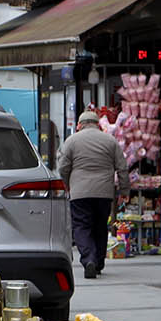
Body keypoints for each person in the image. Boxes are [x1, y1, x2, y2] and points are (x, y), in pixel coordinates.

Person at [55, 108, 125, 279]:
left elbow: (63, 167)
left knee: (81, 226)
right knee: (100, 227)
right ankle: (99, 263)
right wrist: (124, 190)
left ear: (79, 125)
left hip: (79, 192)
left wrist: (66, 185)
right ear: (98, 125)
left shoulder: (71, 141)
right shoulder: (110, 141)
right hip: (104, 193)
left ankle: (88, 260)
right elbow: (122, 167)